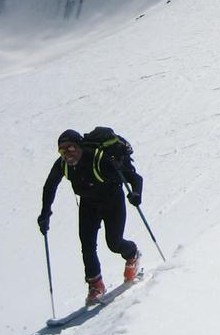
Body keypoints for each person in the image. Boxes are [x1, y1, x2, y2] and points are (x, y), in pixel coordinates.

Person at [37, 129, 143, 304]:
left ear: (80, 146)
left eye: (70, 148)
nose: (67, 154)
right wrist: (45, 213)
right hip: (88, 204)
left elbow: (135, 178)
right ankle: (95, 284)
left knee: (114, 243)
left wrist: (136, 194)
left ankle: (132, 255)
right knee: (87, 245)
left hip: (112, 202)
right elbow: (50, 186)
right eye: (62, 150)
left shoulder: (99, 160)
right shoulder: (62, 164)